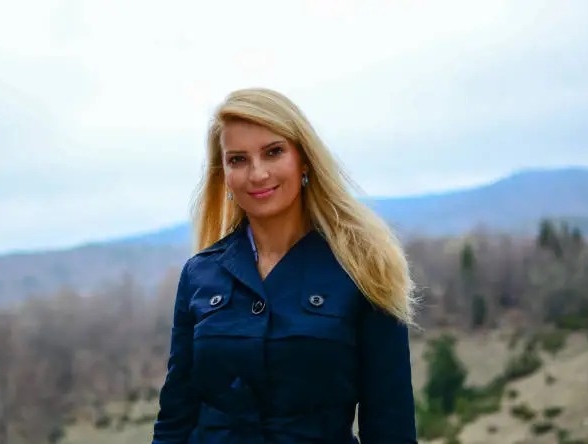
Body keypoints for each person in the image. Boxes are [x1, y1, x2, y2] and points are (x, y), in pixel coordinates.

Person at [152, 88, 418, 444]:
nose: (257, 173)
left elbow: (390, 427)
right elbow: (175, 418)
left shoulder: (364, 267)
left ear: (303, 160)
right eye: (238, 159)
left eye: (273, 152)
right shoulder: (199, 274)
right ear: (224, 174)